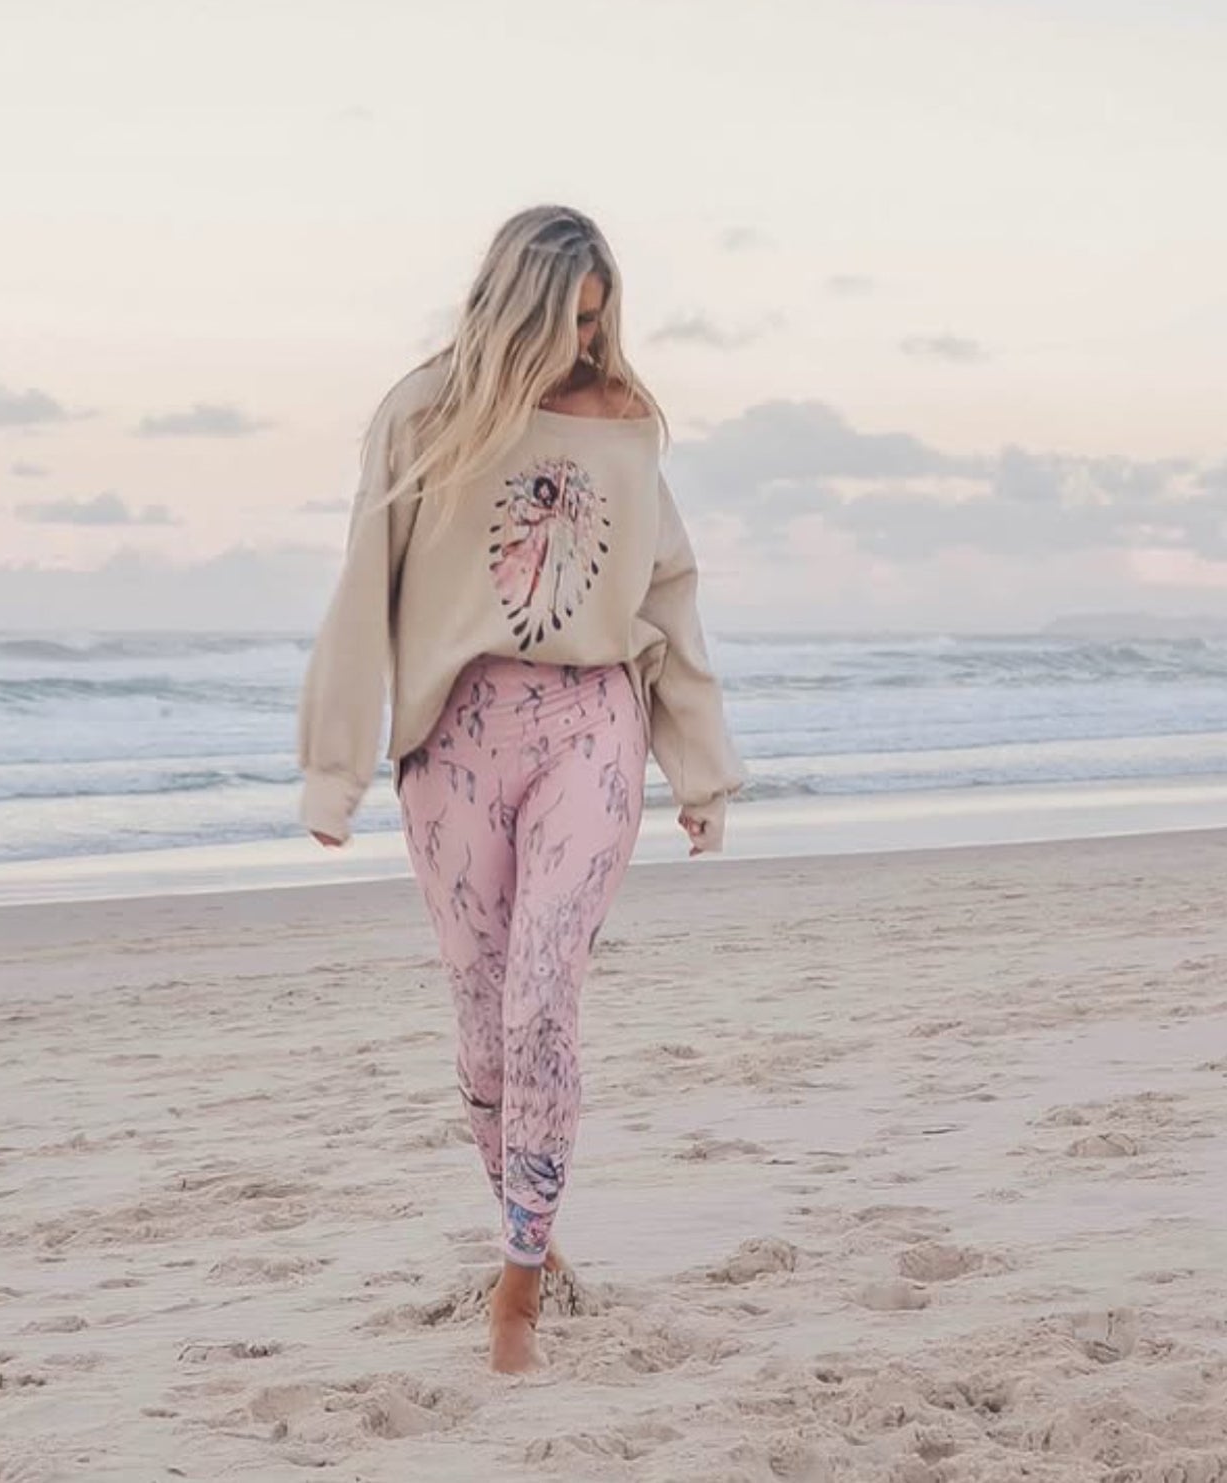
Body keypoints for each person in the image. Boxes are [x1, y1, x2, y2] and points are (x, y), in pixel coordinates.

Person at [295, 204, 749, 1373]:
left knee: (543, 995)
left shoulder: (625, 420)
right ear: (512, 309)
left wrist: (697, 768)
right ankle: (531, 1235)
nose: (583, 345)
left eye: (597, 322)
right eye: (567, 323)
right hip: (455, 740)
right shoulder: (422, 413)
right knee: (483, 1027)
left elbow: (668, 590)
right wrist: (335, 767)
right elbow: (364, 583)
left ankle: (514, 1297)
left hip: (590, 722)